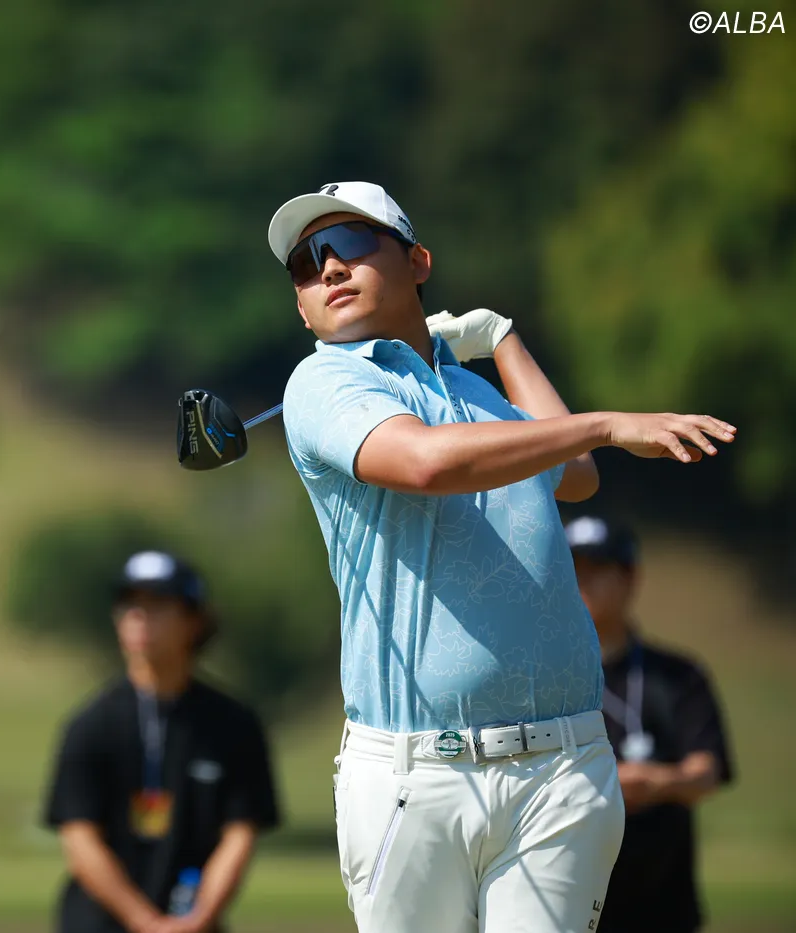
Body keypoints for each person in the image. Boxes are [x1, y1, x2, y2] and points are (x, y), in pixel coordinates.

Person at [267, 180, 737, 933]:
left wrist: (502, 339)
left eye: (351, 243)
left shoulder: (477, 392)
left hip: (561, 764)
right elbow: (427, 462)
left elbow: (575, 474)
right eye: (305, 263)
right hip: (412, 775)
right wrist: (605, 422)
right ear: (300, 304)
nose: (329, 268)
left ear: (418, 261)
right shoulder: (323, 381)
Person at [43, 550, 281, 933]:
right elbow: (79, 838)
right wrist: (145, 922)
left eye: (157, 605)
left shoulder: (233, 725)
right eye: (129, 605)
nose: (140, 617)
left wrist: (198, 918)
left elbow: (240, 832)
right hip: (99, 924)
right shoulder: (90, 725)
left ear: (194, 621)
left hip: (193, 922)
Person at [565, 516, 734, 933]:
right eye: (572, 568)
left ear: (630, 578)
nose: (583, 582)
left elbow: (706, 771)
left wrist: (653, 782)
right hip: (567, 896)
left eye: (597, 568)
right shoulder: (540, 680)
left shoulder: (678, 676)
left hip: (661, 903)